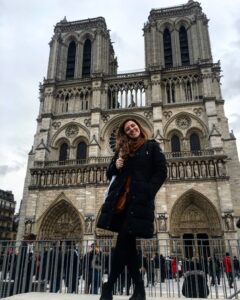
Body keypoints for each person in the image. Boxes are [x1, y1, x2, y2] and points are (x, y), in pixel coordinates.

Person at [97, 118, 167, 300]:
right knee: (127, 245)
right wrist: (115, 166)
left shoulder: (151, 147)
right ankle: (138, 289)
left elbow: (161, 171)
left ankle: (109, 286)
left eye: (133, 126)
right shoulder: (123, 150)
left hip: (139, 201)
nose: (131, 129)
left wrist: (148, 192)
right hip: (122, 203)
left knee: (123, 242)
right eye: (128, 128)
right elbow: (110, 174)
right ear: (125, 133)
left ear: (139, 127)